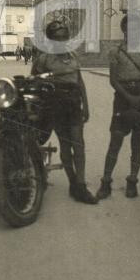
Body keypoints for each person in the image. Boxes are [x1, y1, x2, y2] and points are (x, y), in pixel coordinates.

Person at [32, 19, 97, 204]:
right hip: (56, 106)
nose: (61, 40)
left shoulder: (73, 55)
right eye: (57, 38)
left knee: (79, 144)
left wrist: (86, 105)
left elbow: (79, 81)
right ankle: (73, 183)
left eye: (64, 37)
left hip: (74, 104)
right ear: (51, 39)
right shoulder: (44, 59)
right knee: (66, 145)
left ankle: (81, 184)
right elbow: (34, 81)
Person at [96, 15, 140, 200]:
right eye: (129, 29)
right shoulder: (116, 52)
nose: (133, 33)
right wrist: (129, 97)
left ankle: (132, 181)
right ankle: (106, 181)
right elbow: (113, 80)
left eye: (137, 29)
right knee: (115, 140)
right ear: (124, 31)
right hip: (122, 98)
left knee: (137, 142)